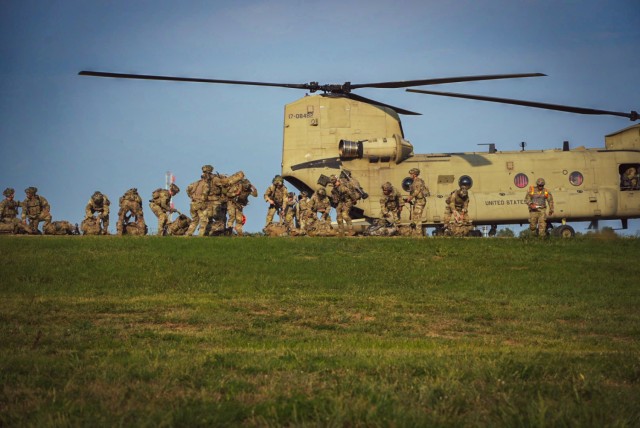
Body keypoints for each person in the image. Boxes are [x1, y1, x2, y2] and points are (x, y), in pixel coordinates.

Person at [186, 165, 213, 236]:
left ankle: (188, 234)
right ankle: (201, 235)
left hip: (192, 204)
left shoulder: (195, 183)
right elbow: (204, 196)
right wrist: (204, 205)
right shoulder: (206, 185)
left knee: (195, 220)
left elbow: (187, 189)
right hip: (200, 204)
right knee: (204, 220)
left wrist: (191, 196)